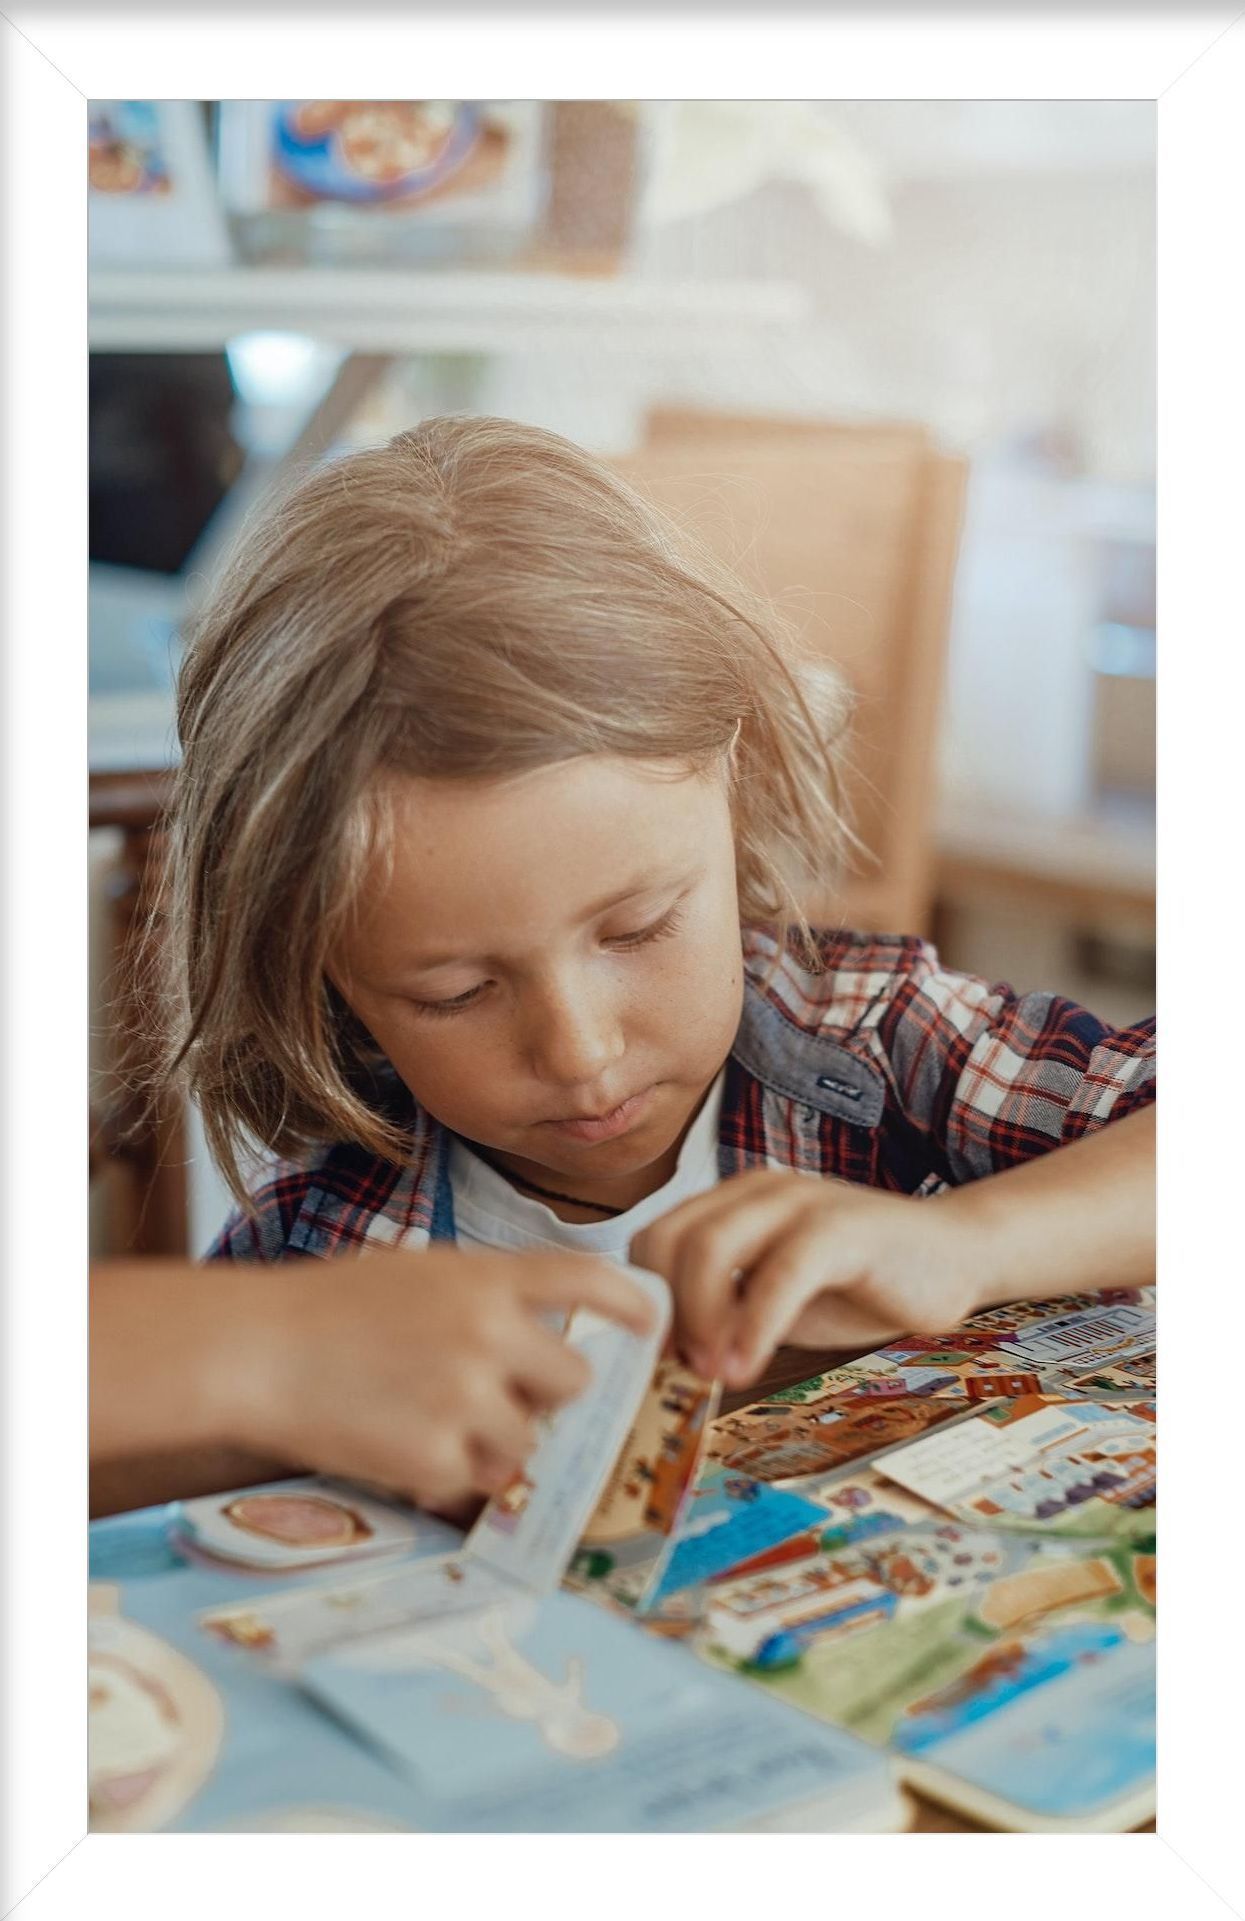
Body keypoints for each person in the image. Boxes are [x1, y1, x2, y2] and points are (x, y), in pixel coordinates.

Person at [133, 415, 1154, 1513]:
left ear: (736, 775)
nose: (580, 1050)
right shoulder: (317, 1252)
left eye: (637, 929)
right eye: (455, 992)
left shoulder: (880, 1045)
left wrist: (966, 1245)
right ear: (320, 972)